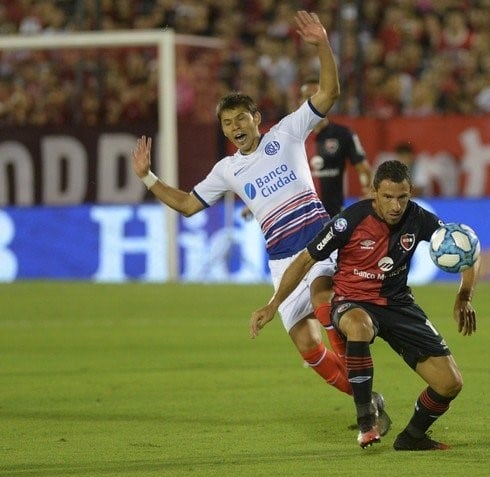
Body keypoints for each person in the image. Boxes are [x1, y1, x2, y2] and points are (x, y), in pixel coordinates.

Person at [131, 11, 378, 410]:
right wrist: (148, 177)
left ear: (257, 119)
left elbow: (329, 93)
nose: (235, 127)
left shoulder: (287, 132)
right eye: (227, 123)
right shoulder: (227, 170)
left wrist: (323, 46)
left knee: (322, 298)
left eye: (241, 119)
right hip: (281, 261)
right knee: (307, 348)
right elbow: (188, 205)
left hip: (318, 245)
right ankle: (369, 397)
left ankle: (364, 407)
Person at [250, 160, 480, 450]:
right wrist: (273, 304)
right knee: (358, 326)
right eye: (388, 197)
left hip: (398, 304)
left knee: (450, 383)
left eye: (402, 197)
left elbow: (466, 248)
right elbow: (307, 258)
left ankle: (412, 437)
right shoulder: (350, 220)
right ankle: (366, 422)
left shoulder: (419, 218)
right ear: (374, 193)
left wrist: (465, 295)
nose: (396, 206)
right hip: (352, 301)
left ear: (410, 193)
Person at [300, 77, 373, 217]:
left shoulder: (343, 134)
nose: (311, 101)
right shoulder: (292, 137)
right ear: (300, 102)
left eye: (316, 96)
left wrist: (368, 190)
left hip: (334, 216)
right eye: (306, 97)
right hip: (302, 220)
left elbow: (363, 169)